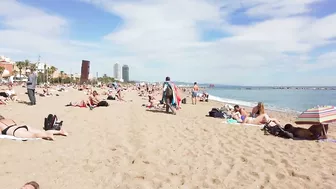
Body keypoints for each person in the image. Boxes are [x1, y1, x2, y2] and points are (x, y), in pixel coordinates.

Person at [0, 115, 67, 140]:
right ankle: (59, 131)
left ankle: (47, 135)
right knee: (41, 131)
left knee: (33, 135)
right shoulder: (9, 119)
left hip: (15, 131)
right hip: (22, 126)